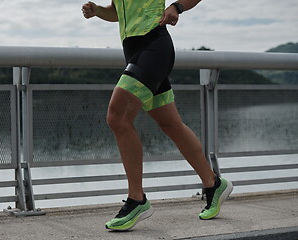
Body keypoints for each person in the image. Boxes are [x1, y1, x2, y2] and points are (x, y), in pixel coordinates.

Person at [82, 0, 233, 231]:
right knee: (170, 124)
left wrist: (178, 6)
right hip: (135, 52)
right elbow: (117, 12)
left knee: (118, 117)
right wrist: (99, 11)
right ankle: (213, 183)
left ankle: (137, 200)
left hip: (154, 45)